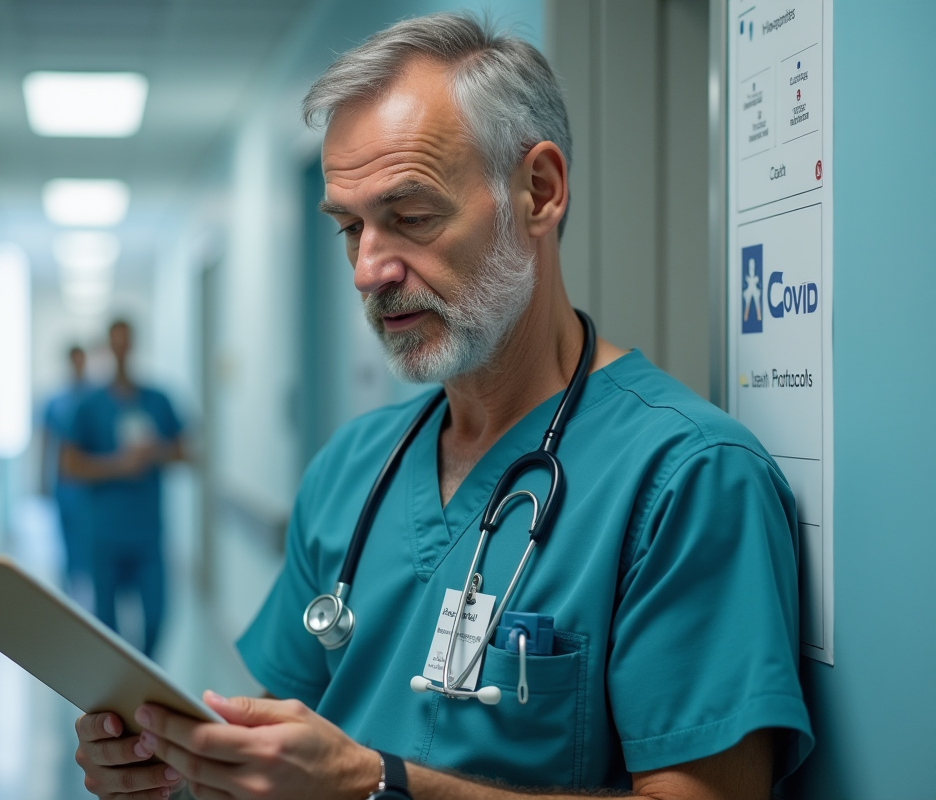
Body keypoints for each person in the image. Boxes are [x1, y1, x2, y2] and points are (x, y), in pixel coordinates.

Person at [74, 13, 812, 800]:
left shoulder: (688, 479)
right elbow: (280, 745)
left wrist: (381, 786)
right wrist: (181, 773)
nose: (368, 269)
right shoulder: (353, 468)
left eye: (411, 218)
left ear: (540, 191)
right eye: (350, 228)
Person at [61, 319, 185, 655]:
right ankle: (122, 697)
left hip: (148, 534)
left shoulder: (157, 400)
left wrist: (154, 451)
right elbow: (69, 465)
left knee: (157, 616)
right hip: (103, 535)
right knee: (107, 627)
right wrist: (119, 464)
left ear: (133, 345)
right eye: (114, 343)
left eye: (126, 342)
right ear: (107, 348)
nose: (121, 351)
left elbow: (184, 450)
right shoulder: (88, 406)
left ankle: (146, 683)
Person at [42, 345, 93, 601]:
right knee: (67, 539)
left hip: (91, 487)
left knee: (90, 541)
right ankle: (70, 591)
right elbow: (47, 440)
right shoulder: (56, 401)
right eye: (74, 361)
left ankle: (90, 587)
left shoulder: (96, 398)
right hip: (64, 485)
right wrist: (41, 479)